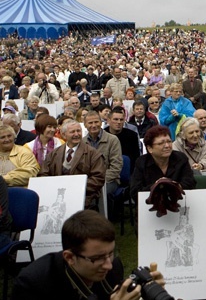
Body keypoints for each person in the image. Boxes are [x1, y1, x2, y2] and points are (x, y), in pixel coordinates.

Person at [12, 209, 166, 300]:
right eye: (97, 258)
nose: (108, 265)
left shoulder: (113, 268)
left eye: (111, 253)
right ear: (69, 257)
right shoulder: (33, 284)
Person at [40, 120, 105, 209]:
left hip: (83, 196)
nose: (76, 134)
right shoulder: (53, 154)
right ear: (63, 135)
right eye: (72, 132)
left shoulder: (93, 154)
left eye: (78, 131)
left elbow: (98, 179)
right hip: (56, 196)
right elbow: (43, 174)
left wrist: (75, 187)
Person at [130, 125, 196, 204]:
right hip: (150, 205)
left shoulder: (181, 158)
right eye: (161, 143)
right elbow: (135, 191)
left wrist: (171, 186)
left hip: (179, 202)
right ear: (150, 148)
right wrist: (156, 186)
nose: (167, 146)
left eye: (169, 141)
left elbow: (190, 182)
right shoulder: (141, 162)